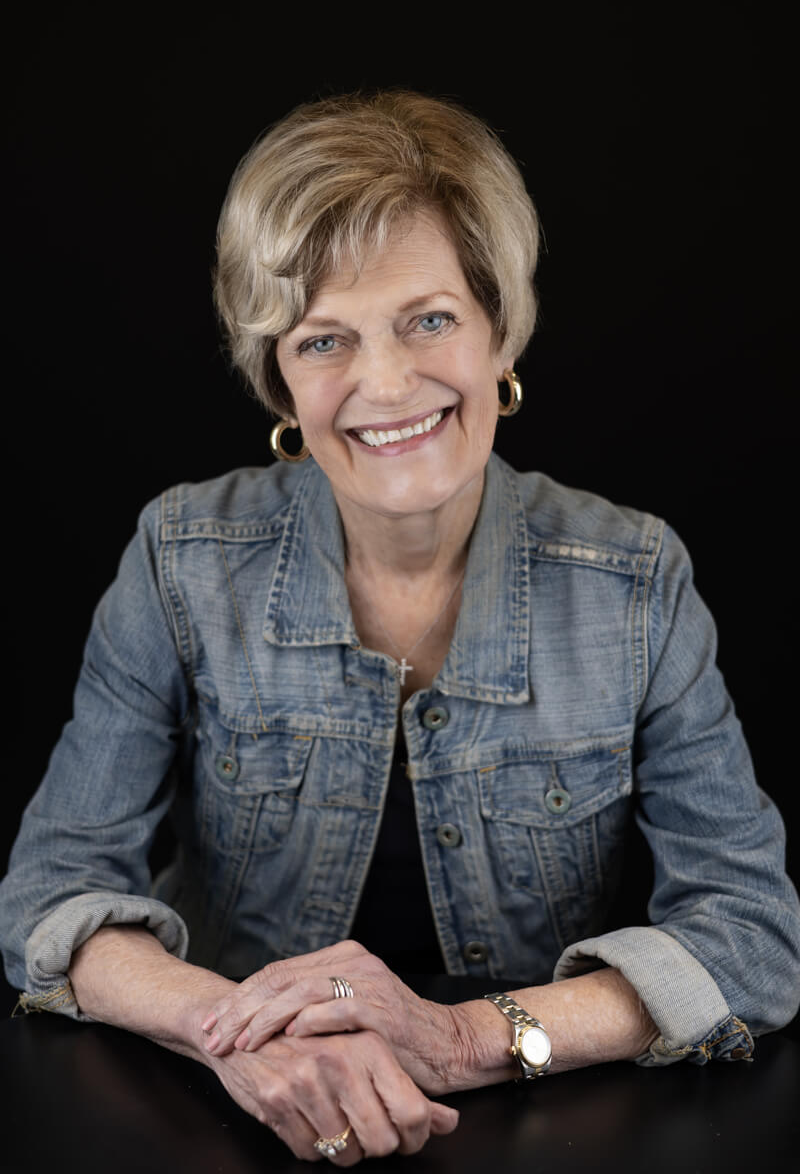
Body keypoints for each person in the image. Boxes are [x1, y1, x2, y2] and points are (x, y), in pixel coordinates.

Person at [1, 90, 798, 1165]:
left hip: (536, 1123)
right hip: (233, 1118)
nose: (384, 384)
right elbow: (50, 893)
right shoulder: (179, 560)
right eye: (324, 339)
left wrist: (461, 1039)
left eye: (429, 320)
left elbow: (752, 935)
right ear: (277, 378)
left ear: (500, 330)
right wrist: (233, 1033)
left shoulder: (633, 582)